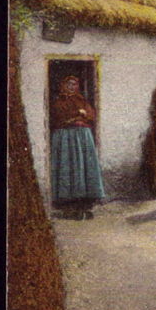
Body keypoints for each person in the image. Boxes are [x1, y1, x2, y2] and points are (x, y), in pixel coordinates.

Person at [50, 75, 105, 219]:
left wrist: (83, 115)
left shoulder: (81, 100)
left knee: (84, 166)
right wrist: (78, 114)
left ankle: (84, 205)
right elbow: (59, 115)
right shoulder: (58, 102)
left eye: (74, 84)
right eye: (69, 84)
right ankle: (69, 206)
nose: (72, 87)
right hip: (65, 137)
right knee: (69, 167)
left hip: (82, 137)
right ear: (63, 85)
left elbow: (91, 115)